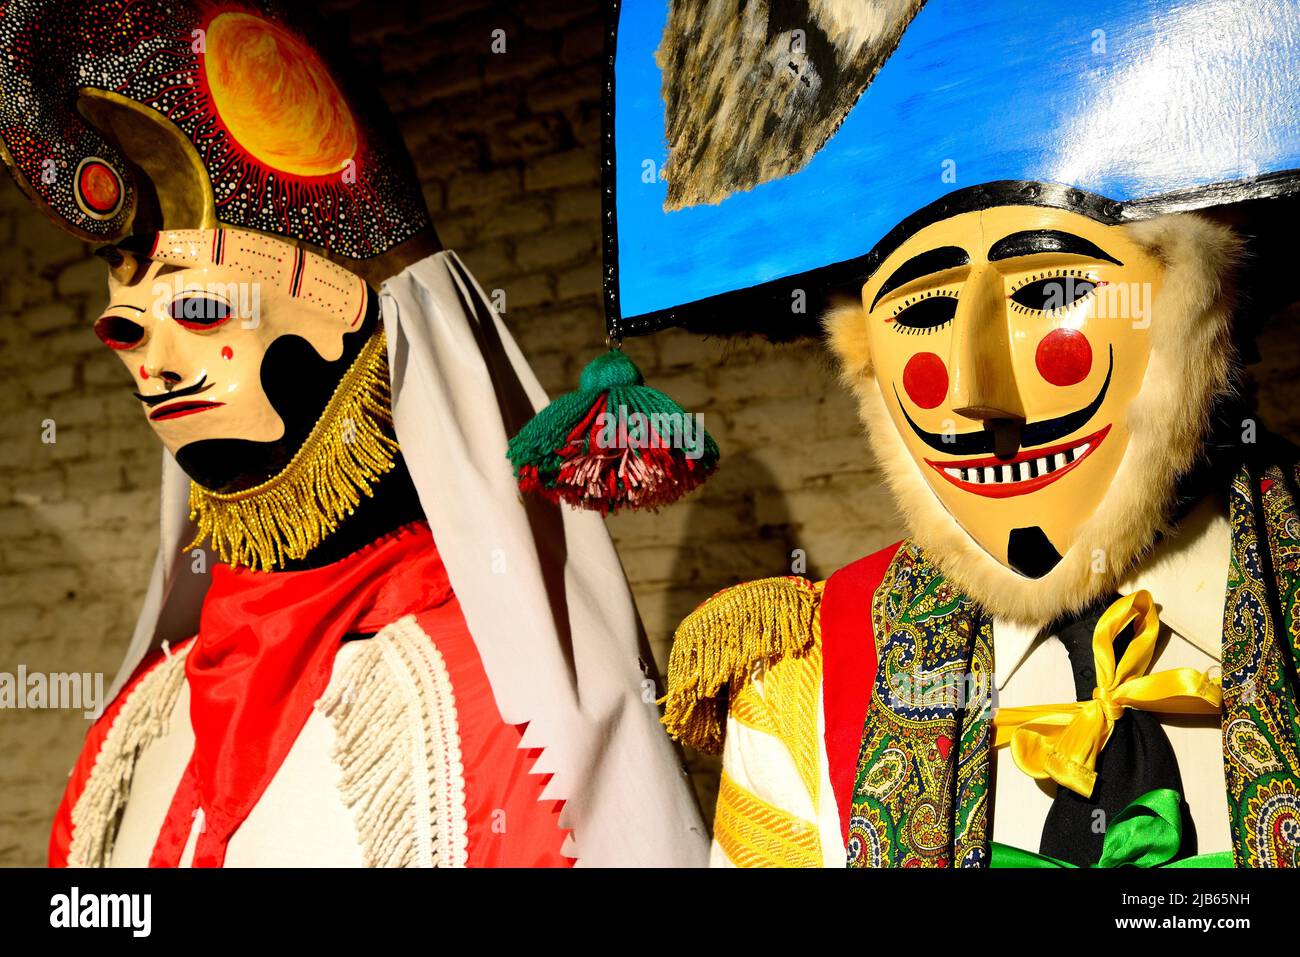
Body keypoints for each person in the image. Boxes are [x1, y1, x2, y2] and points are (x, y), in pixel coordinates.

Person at [0, 0, 705, 867]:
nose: (156, 366)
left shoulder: (489, 715)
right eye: (129, 331)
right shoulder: (139, 723)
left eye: (204, 310)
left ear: (351, 326)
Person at [596, 0, 1300, 866]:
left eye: (1049, 291)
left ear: (1200, 301)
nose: (973, 394)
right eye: (925, 310)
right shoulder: (807, 694)